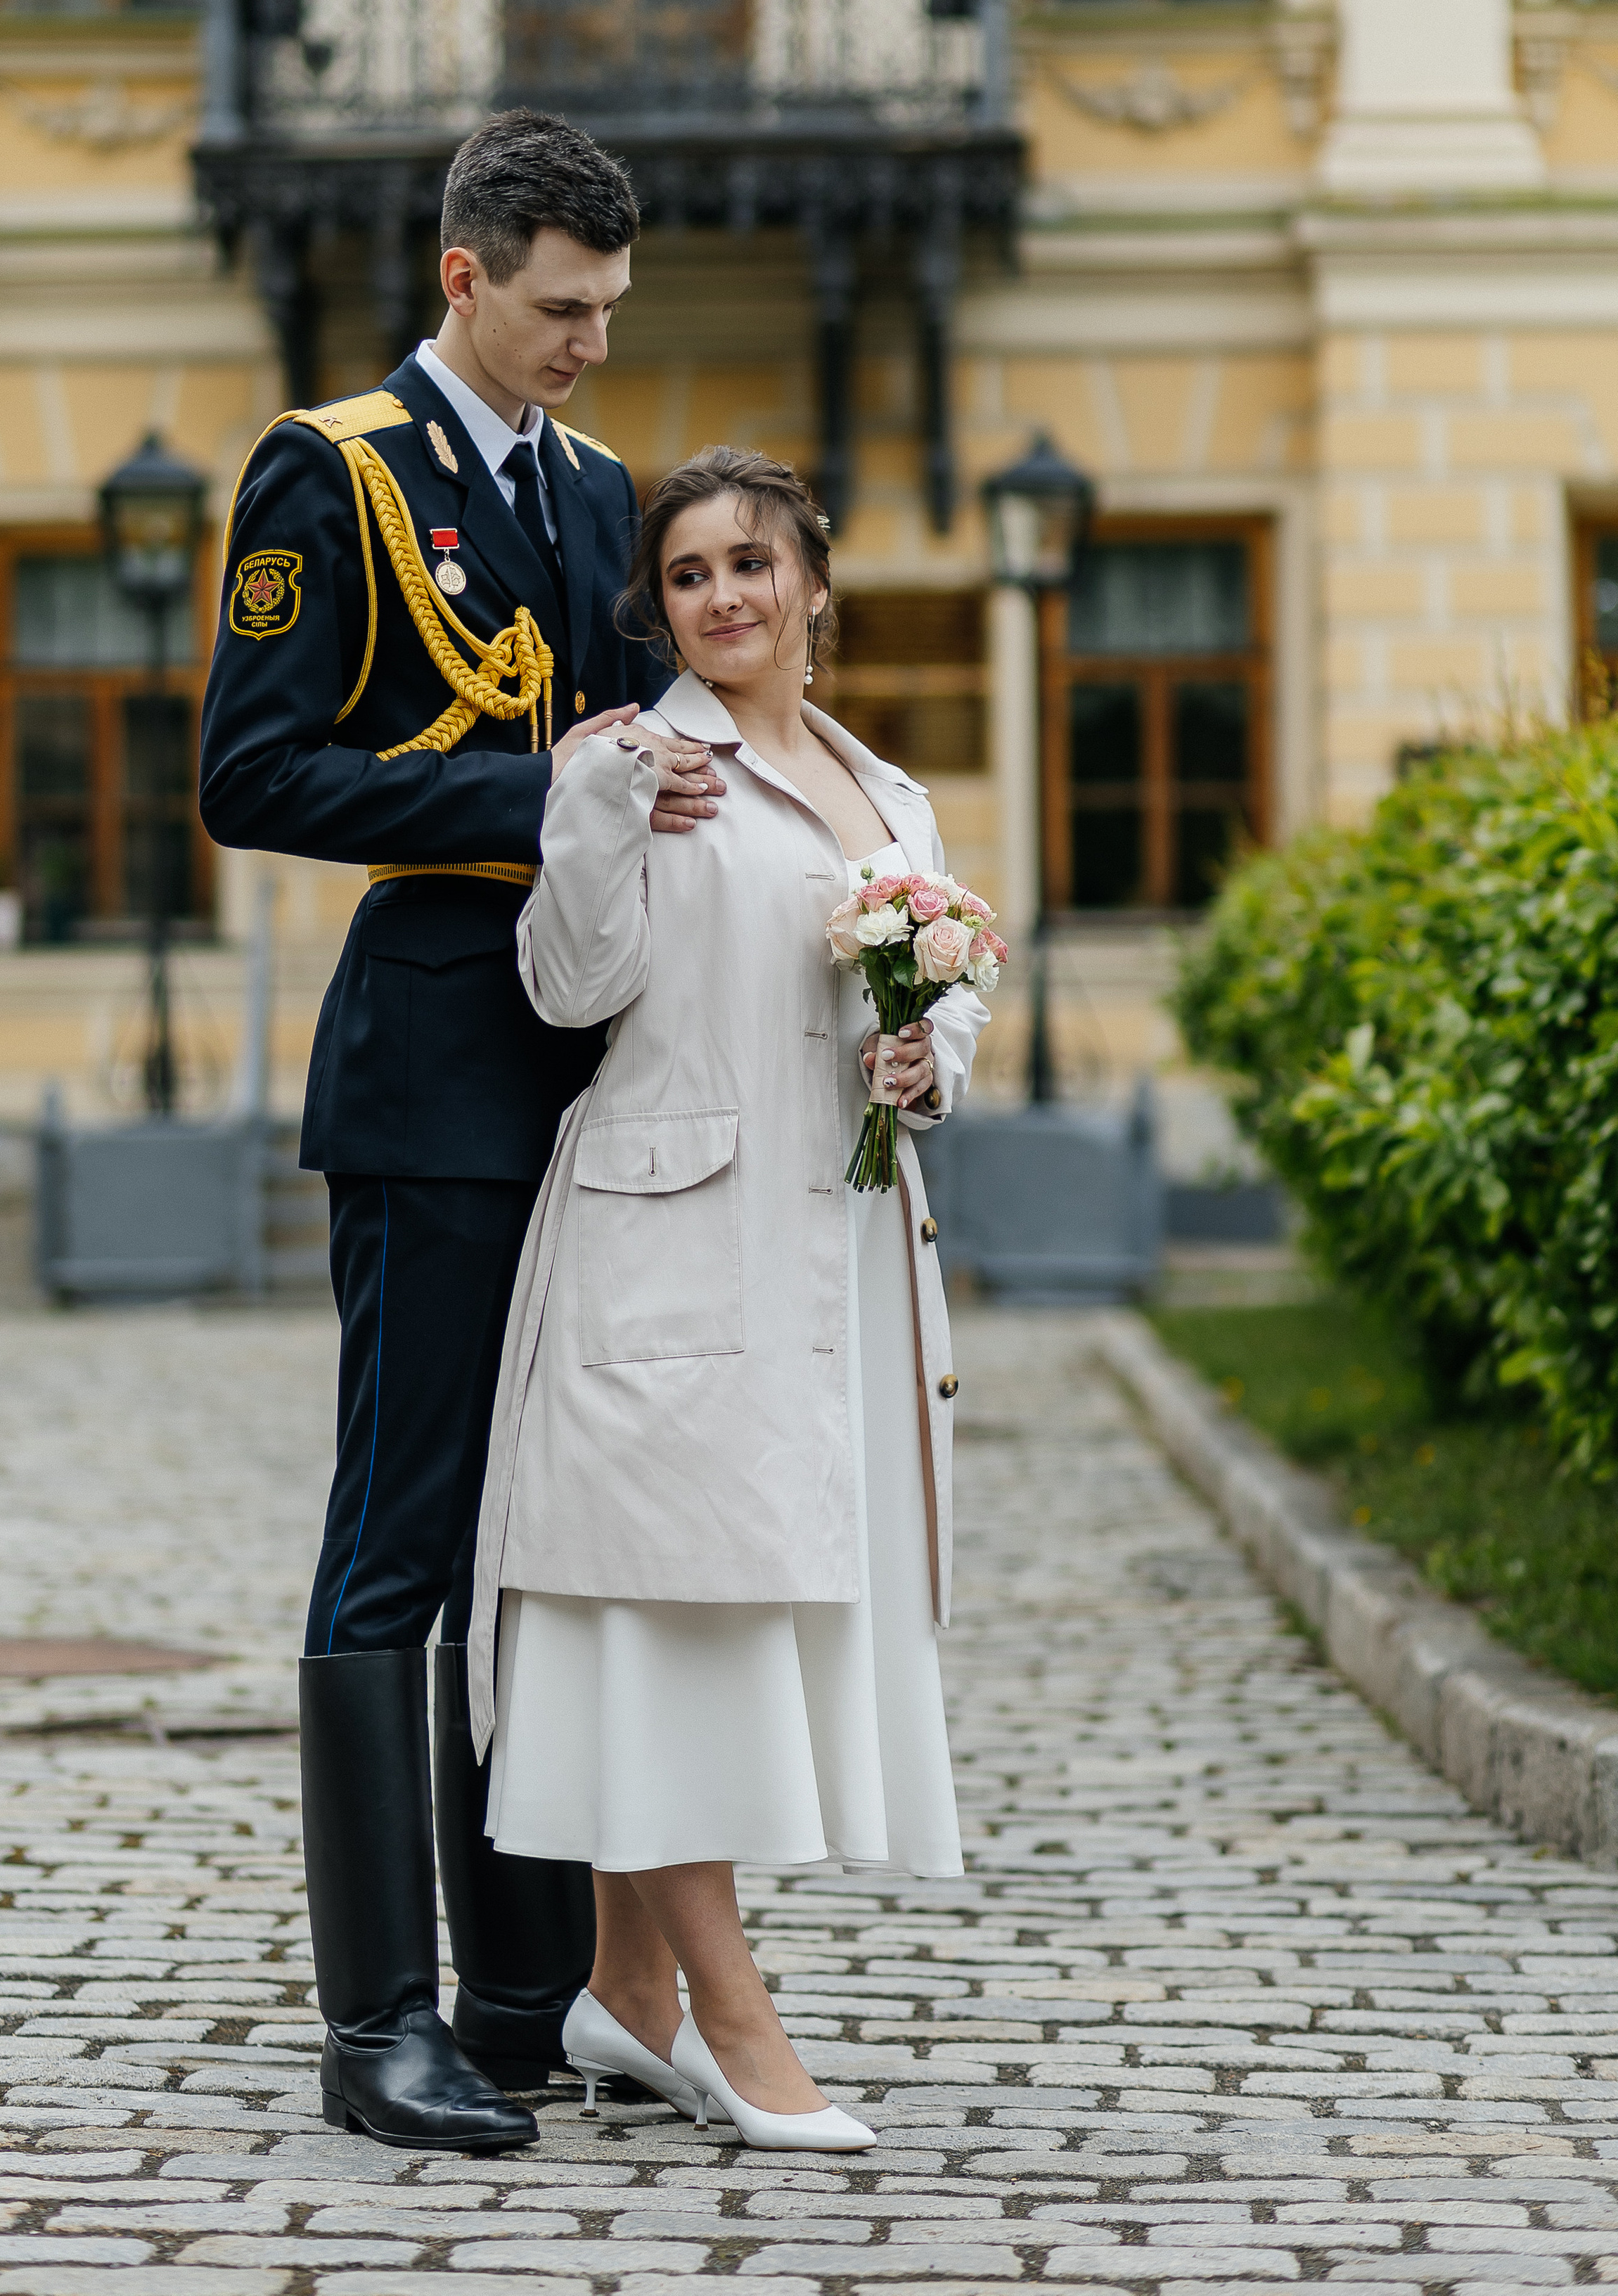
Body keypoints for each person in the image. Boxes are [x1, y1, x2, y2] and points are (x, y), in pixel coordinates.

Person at [198, 111, 727, 2155]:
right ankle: (376, 2024)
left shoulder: (600, 497)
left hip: (592, 1071)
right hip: (429, 1075)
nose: (591, 344)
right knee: (404, 1536)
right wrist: (540, 806)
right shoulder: (327, 471)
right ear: (466, 279)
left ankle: (523, 1990)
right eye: (562, 308)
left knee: (544, 1549)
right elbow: (259, 774)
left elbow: (657, 750)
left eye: (610, 310)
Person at [468, 444, 987, 2153]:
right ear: (659, 608)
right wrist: (599, 814)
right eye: (687, 576)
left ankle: (621, 2000)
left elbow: (940, 1031)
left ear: (812, 583)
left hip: (833, 1244)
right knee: (671, 1623)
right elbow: (568, 985)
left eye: (750, 565)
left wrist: (928, 1058)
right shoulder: (636, 762)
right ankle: (739, 2030)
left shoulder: (888, 796)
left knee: (698, 1617)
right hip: (671, 1234)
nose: (723, 598)